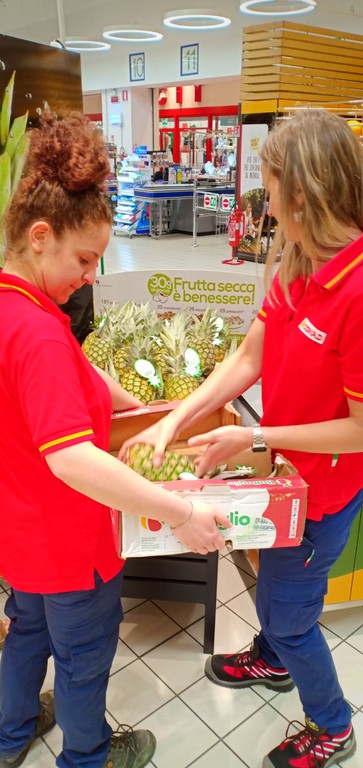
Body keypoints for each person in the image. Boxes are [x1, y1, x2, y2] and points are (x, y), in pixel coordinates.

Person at [119, 108, 363, 768]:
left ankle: (332, 726)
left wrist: (257, 435)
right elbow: (247, 358)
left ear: (303, 193)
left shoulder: (356, 289)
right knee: (269, 576)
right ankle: (270, 659)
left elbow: (360, 427)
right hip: (286, 473)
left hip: (323, 493)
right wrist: (171, 418)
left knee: (290, 611)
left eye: (268, 182)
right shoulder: (293, 259)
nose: (261, 198)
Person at [0, 111, 231, 768]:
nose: (91, 276)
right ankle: (89, 756)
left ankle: (10, 736)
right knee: (81, 663)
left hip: (20, 539)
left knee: (26, 639)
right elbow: (71, 458)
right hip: (72, 547)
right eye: (84, 259)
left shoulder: (15, 307)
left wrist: (135, 402)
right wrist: (182, 512)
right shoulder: (39, 334)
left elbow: (63, 376)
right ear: (40, 237)